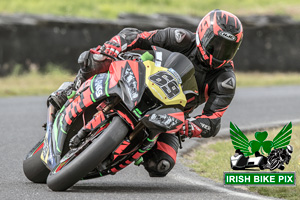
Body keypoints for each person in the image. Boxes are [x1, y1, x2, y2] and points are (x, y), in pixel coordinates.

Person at [48, 9, 243, 177]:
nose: (219, 52)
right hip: (140, 81)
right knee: (99, 59)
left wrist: (188, 127)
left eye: (228, 49)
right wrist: (113, 46)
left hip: (169, 113)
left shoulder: (224, 80)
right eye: (215, 44)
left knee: (161, 165)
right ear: (203, 33)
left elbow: (212, 121)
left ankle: (127, 150)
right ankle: (71, 89)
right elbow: (139, 36)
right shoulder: (181, 38)